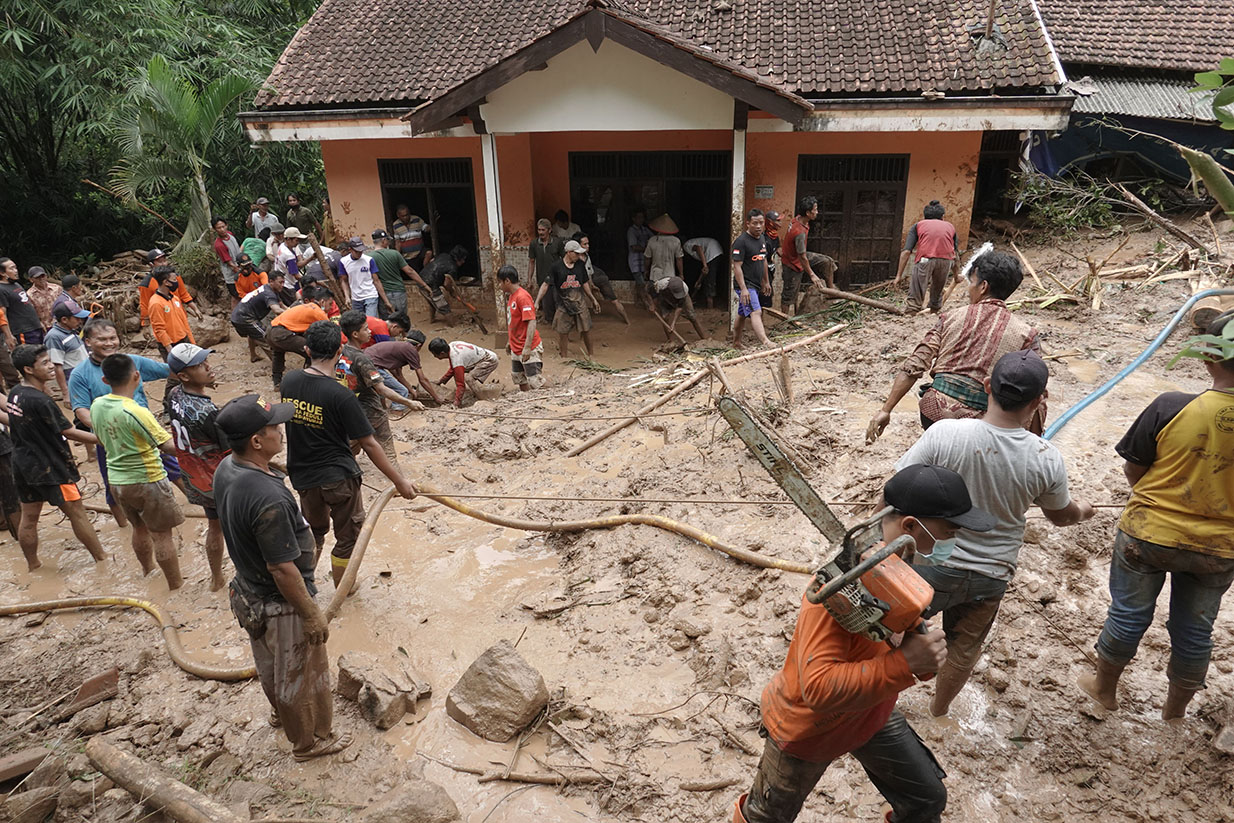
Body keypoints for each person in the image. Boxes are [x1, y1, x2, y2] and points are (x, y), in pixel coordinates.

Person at [736, 463, 995, 823]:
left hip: (871, 711)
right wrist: (904, 664)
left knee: (926, 798)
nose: (953, 541)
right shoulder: (839, 590)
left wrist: (913, 654)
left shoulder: (898, 564)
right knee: (766, 817)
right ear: (910, 527)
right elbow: (818, 688)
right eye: (949, 532)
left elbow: (888, 645)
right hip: (811, 726)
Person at [894, 350, 1095, 717]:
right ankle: (938, 712)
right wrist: (1082, 509)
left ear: (987, 386)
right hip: (990, 575)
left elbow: (897, 487)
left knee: (894, 632)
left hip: (929, 566)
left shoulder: (945, 433)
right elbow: (1061, 517)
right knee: (963, 649)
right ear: (1039, 401)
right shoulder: (1046, 457)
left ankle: (884, 697)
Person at [1077, 312, 1234, 721]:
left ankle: (1104, 692)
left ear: (1208, 359)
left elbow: (1134, 469)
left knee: (1128, 615)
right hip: (1219, 548)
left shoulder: (1170, 405)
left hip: (1147, 534)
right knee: (1196, 629)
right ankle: (1174, 713)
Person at [213, 394, 352, 761]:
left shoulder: (229, 467)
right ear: (257, 441)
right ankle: (310, 742)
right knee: (302, 677)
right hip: (281, 603)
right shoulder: (267, 497)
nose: (281, 430)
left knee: (272, 667)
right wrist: (309, 613)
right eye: (274, 426)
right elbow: (282, 568)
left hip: (250, 591)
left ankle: (283, 716)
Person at [279, 321, 417, 586]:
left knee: (314, 534)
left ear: (307, 350)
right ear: (340, 351)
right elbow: (370, 444)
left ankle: (303, 586)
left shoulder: (289, 381)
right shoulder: (341, 396)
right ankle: (345, 589)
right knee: (348, 537)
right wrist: (399, 482)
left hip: (303, 476)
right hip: (338, 478)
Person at [865, 250, 1042, 444]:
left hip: (936, 414)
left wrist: (885, 410)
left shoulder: (950, 317)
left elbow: (914, 365)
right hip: (987, 425)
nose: (968, 289)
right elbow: (1034, 391)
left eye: (971, 283)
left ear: (983, 287)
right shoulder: (1027, 334)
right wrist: (1029, 444)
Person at [69, 318, 184, 527]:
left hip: (145, 429)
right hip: (111, 437)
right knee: (113, 484)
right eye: (101, 339)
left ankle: (197, 503)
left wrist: (191, 380)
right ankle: (126, 526)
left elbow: (169, 370)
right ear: (88, 342)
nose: (109, 343)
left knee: (174, 469)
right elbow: (81, 410)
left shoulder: (131, 361)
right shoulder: (80, 374)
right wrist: (101, 434)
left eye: (112, 338)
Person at [5, 344, 106, 571]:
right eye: (45, 363)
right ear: (29, 370)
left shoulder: (15, 393)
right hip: (49, 467)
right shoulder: (41, 401)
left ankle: (34, 566)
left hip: (23, 464)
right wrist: (102, 439)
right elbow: (68, 431)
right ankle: (102, 560)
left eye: (50, 361)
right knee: (77, 513)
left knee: (29, 517)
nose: (52, 367)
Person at [91, 353, 187, 589]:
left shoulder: (97, 405)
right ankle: (176, 587)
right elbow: (166, 445)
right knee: (162, 535)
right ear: (137, 376)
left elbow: (101, 438)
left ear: (105, 381)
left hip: (117, 480)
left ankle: (148, 571)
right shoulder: (135, 410)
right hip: (147, 480)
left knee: (138, 528)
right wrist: (199, 448)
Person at [162, 344, 229, 591]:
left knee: (215, 526)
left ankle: (216, 578)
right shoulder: (208, 411)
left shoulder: (174, 395)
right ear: (184, 375)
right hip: (216, 478)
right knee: (235, 526)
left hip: (193, 474)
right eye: (200, 365)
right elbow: (231, 451)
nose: (208, 367)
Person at [337, 311, 424, 463]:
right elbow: (382, 389)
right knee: (387, 450)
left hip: (350, 407)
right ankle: (399, 483)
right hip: (371, 411)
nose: (370, 331)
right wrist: (409, 402)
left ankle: (343, 467)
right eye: (365, 329)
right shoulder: (363, 360)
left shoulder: (341, 351)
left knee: (353, 445)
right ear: (355, 334)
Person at [537, 240, 599, 358]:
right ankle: (564, 356)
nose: (579, 256)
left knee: (586, 330)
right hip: (563, 304)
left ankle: (591, 355)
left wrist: (593, 299)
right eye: (577, 253)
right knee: (563, 332)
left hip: (579, 303)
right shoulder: (556, 267)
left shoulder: (580, 265)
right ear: (569, 252)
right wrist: (537, 301)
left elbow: (585, 283)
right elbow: (545, 284)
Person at [894, 201, 958, 314]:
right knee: (938, 286)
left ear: (924, 216)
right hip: (946, 261)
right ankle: (934, 309)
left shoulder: (918, 225)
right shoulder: (950, 227)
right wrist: (956, 276)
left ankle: (912, 310)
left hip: (925, 260)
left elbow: (906, 251)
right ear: (942, 216)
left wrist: (898, 276)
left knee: (918, 285)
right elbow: (956, 254)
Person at [268, 286, 334, 389]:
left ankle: (277, 382)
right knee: (312, 351)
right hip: (281, 333)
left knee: (278, 352)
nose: (330, 308)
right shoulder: (318, 312)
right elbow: (330, 332)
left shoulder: (306, 306)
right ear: (322, 302)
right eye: (330, 304)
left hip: (270, 330)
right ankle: (310, 379)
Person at [781, 197, 834, 314]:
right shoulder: (799, 232)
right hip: (792, 262)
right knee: (789, 295)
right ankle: (783, 321)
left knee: (827, 261)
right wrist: (812, 274)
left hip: (797, 255)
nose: (817, 212)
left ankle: (831, 291)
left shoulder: (798, 219)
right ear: (808, 213)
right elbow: (802, 257)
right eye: (815, 210)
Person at [497, 265, 545, 391]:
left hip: (527, 346)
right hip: (516, 347)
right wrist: (510, 341)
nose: (499, 286)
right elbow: (514, 322)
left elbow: (531, 321)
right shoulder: (512, 296)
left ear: (507, 281)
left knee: (535, 381)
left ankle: (556, 394)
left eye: (500, 282)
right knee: (519, 378)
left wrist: (528, 346)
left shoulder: (522, 297)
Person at [731, 209, 773, 349]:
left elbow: (763, 261)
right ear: (747, 224)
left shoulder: (762, 239)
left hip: (755, 284)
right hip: (745, 285)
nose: (759, 226)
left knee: (742, 314)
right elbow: (737, 267)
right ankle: (765, 341)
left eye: (761, 223)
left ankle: (736, 343)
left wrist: (765, 281)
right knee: (756, 311)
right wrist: (743, 289)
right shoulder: (741, 242)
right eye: (755, 223)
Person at [366, 332, 444, 404]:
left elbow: (398, 375)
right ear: (419, 345)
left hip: (363, 362)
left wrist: (411, 390)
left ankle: (384, 410)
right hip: (372, 367)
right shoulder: (411, 350)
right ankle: (396, 412)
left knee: (379, 389)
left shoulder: (399, 347)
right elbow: (422, 379)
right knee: (401, 391)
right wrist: (436, 398)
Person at [370, 229, 429, 318]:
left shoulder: (369, 257)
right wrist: (424, 285)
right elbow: (409, 271)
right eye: (387, 240)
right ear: (383, 240)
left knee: (387, 322)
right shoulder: (395, 254)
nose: (388, 242)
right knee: (402, 320)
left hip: (383, 294)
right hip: (399, 291)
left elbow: (374, 279)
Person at [231, 272, 288, 364]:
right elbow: (276, 309)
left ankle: (253, 356)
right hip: (244, 318)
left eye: (283, 282)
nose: (282, 285)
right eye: (280, 282)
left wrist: (292, 310)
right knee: (265, 337)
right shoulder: (269, 293)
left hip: (239, 314)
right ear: (271, 281)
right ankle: (277, 365)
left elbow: (281, 305)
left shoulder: (270, 288)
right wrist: (292, 314)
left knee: (253, 333)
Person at [575, 233, 628, 324]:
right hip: (582, 284)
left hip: (590, 281)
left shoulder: (586, 256)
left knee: (614, 300)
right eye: (585, 244)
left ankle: (628, 321)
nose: (588, 246)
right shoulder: (575, 259)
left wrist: (592, 285)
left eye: (588, 243)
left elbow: (589, 274)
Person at [429, 338, 499, 407]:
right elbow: (453, 369)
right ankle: (477, 396)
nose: (434, 356)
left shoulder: (456, 358)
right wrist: (440, 381)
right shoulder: (452, 345)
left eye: (435, 354)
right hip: (482, 357)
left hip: (489, 360)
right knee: (458, 371)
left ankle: (482, 401)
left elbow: (461, 385)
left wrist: (456, 403)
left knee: (469, 378)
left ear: (442, 353)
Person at [139, 250, 199, 329]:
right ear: (151, 264)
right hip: (163, 321)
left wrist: (196, 309)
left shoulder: (175, 277)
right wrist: (145, 326)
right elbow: (145, 305)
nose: (164, 264)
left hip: (180, 316)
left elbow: (184, 294)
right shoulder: (146, 284)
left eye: (165, 260)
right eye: (160, 262)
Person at [45, 302, 91, 402]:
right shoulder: (54, 337)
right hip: (76, 384)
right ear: (64, 320)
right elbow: (57, 366)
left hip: (85, 379)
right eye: (77, 318)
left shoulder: (71, 331)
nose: (80, 321)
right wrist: (66, 393)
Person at [148, 266, 195, 357]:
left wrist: (191, 342)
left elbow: (184, 322)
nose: (176, 282)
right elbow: (159, 328)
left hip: (184, 339)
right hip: (170, 345)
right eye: (174, 279)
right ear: (166, 282)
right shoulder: (156, 303)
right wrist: (169, 349)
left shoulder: (175, 298)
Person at [336, 237, 388, 318]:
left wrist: (386, 300)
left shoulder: (369, 260)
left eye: (361, 251)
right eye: (357, 251)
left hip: (370, 295)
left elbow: (376, 280)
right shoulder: (343, 261)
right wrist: (347, 297)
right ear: (350, 250)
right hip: (356, 297)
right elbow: (344, 280)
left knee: (371, 320)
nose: (359, 253)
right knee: (358, 322)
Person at [0, 258, 45, 346]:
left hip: (35, 327)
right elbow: (2, 314)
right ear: (2, 273)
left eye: (15, 268)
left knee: (42, 354)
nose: (15, 271)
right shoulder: (1, 289)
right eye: (11, 268)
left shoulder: (16, 284)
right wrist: (8, 336)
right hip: (23, 331)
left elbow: (27, 305)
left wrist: (38, 323)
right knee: (31, 357)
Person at [419, 246, 468, 321]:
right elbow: (446, 284)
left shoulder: (443, 255)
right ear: (457, 258)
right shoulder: (452, 268)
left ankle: (432, 319)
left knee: (433, 302)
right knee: (445, 308)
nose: (463, 262)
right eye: (462, 259)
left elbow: (432, 262)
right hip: (430, 283)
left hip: (420, 278)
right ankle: (452, 326)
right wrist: (452, 292)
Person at [528, 218, 564, 322]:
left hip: (557, 279)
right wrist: (530, 279)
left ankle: (560, 324)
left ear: (549, 230)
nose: (540, 232)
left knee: (558, 303)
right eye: (539, 230)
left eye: (543, 230)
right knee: (547, 305)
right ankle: (550, 322)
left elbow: (565, 259)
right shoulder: (534, 244)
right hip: (542, 279)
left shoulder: (558, 243)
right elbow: (531, 262)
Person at [652, 276, 706, 341]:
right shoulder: (660, 285)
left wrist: (673, 323)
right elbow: (649, 291)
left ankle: (704, 339)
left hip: (682, 298)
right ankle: (670, 341)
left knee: (692, 316)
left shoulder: (684, 290)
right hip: (665, 297)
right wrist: (652, 304)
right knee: (665, 317)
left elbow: (679, 307)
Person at [681, 236, 724, 309]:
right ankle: (709, 305)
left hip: (712, 251)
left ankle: (710, 308)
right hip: (717, 250)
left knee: (710, 281)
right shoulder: (691, 247)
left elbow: (698, 248)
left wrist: (704, 265)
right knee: (709, 278)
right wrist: (699, 281)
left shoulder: (686, 245)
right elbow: (704, 272)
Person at [211, 217, 245, 306]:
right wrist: (240, 271)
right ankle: (235, 317)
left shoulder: (230, 235)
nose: (222, 229)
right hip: (231, 273)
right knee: (236, 296)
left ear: (226, 225)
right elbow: (229, 263)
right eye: (219, 228)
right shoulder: (219, 244)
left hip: (239, 266)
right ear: (215, 229)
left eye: (223, 226)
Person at [644, 213, 684, 285]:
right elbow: (679, 259)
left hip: (655, 275)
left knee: (655, 294)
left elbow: (647, 258)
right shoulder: (676, 241)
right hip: (670, 275)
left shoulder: (652, 240)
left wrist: (646, 270)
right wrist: (681, 274)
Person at [391, 205, 431, 269]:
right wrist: (398, 256)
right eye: (403, 216)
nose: (406, 217)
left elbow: (426, 228)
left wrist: (432, 224)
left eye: (407, 215)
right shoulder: (395, 225)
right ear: (398, 215)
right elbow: (398, 242)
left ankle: (426, 270)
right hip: (407, 256)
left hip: (420, 252)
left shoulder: (417, 219)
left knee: (429, 253)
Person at [627, 209, 652, 300]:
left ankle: (641, 301)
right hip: (635, 262)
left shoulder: (645, 230)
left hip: (644, 261)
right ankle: (646, 303)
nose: (641, 220)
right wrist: (648, 249)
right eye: (639, 218)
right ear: (634, 219)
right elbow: (634, 247)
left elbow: (653, 238)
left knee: (642, 283)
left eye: (642, 218)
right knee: (641, 283)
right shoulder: (631, 231)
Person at [26, 267, 60, 331]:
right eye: (37, 277)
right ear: (31, 279)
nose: (41, 279)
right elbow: (31, 314)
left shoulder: (56, 288)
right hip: (45, 328)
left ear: (46, 276)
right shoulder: (29, 295)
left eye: (43, 276)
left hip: (61, 323)